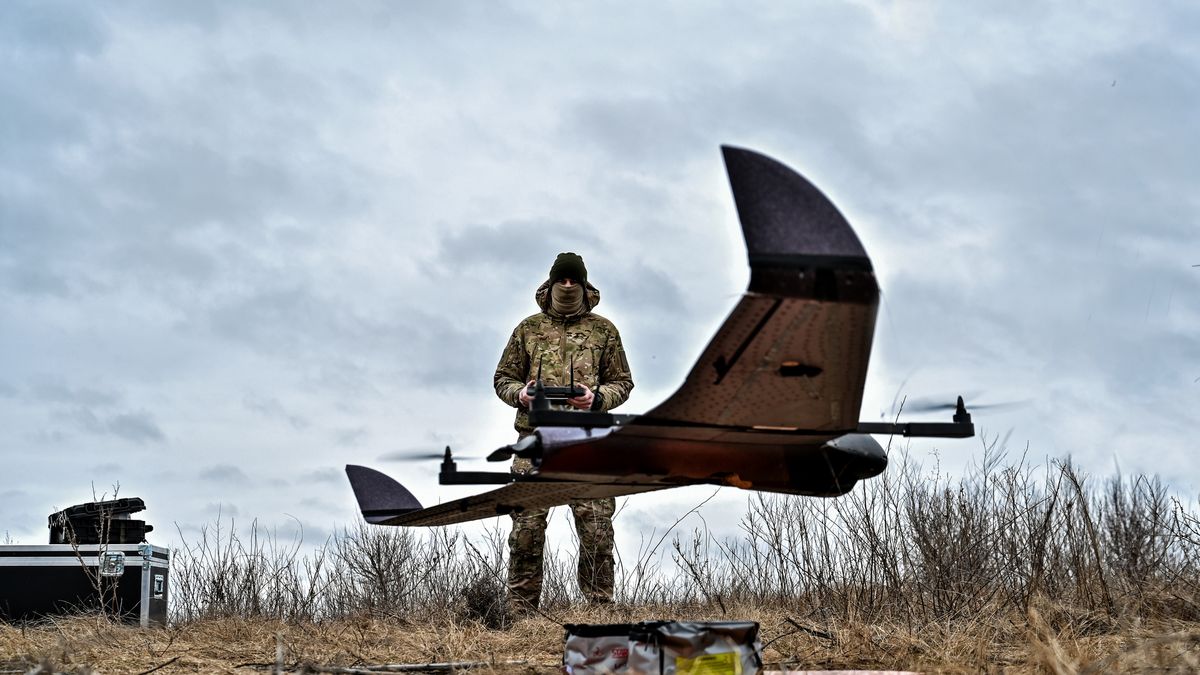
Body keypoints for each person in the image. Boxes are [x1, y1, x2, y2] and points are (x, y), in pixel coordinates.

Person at [493, 252, 634, 611]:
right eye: (562, 279)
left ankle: (600, 609)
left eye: (574, 280)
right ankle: (521, 613)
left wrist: (597, 398)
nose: (568, 286)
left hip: (588, 443)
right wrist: (520, 395)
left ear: (584, 284)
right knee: (526, 528)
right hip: (534, 443)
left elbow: (623, 382)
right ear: (552, 282)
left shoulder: (604, 330)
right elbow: (502, 379)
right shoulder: (528, 329)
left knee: (597, 530)